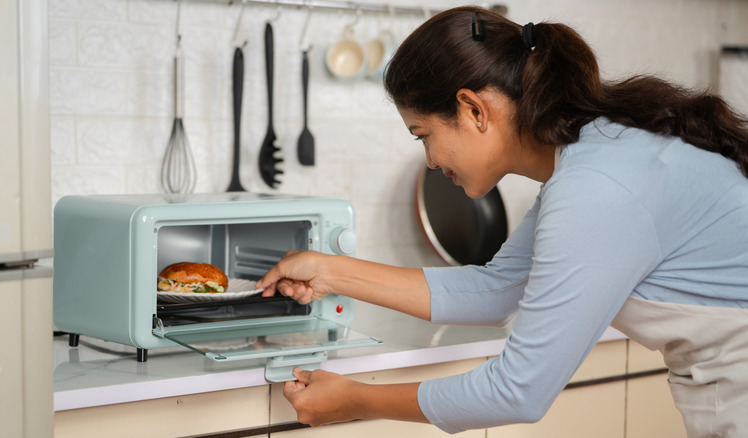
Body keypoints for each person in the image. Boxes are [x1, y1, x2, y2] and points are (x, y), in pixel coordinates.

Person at [256, 6, 748, 436]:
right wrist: (330, 271)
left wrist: (355, 400)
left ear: (473, 109)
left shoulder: (595, 185)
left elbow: (519, 391)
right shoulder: (591, 158)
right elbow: (498, 289)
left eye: (421, 134)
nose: (428, 160)